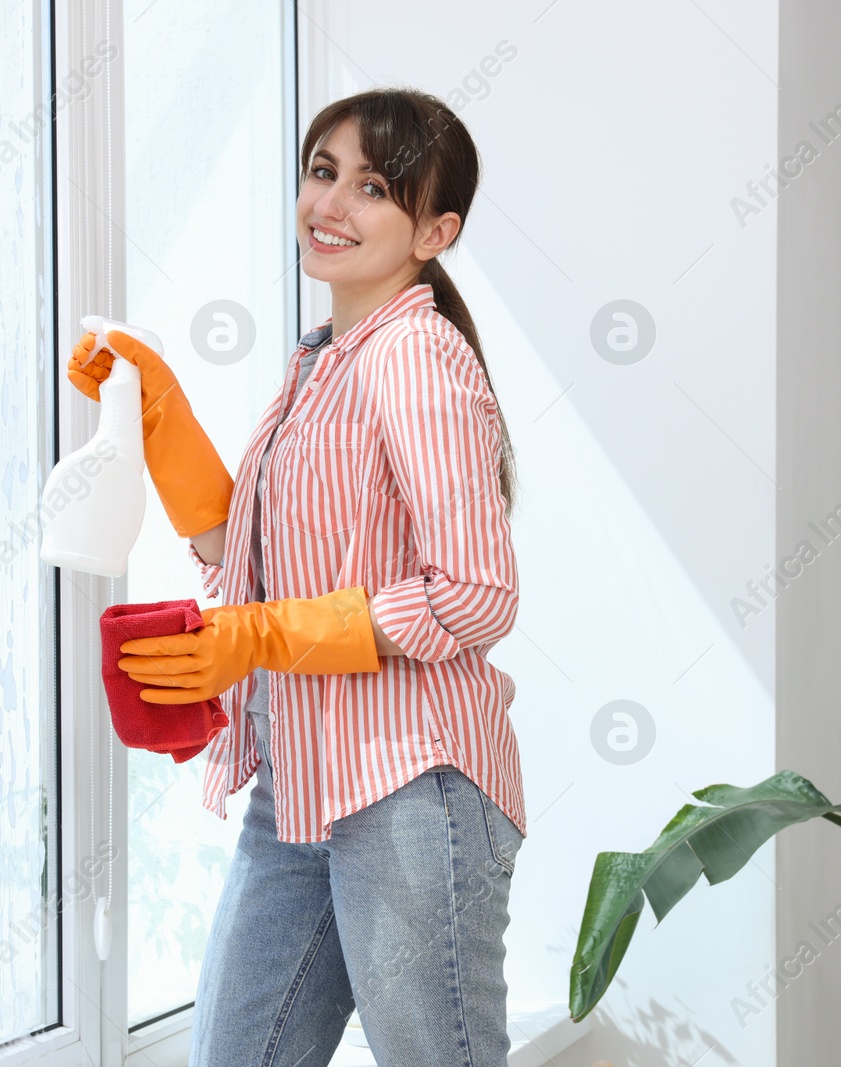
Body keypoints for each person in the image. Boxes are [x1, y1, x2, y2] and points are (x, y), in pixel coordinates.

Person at [68, 87, 523, 1067]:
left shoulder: (415, 356)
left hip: (411, 780)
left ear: (434, 230)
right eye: (324, 172)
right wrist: (159, 411)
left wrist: (260, 637)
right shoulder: (322, 360)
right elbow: (254, 548)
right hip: (301, 777)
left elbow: (477, 593)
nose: (333, 203)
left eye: (374, 187)